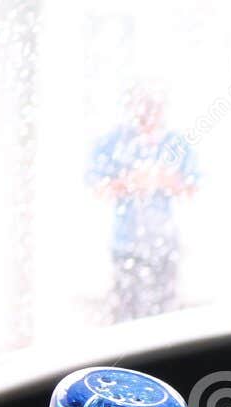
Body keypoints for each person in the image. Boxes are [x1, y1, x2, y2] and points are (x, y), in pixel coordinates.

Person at [88, 89, 198, 322]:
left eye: (154, 107)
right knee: (126, 312)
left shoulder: (175, 144)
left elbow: (192, 188)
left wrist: (164, 180)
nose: (148, 115)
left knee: (165, 313)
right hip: (125, 246)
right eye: (143, 107)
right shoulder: (113, 143)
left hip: (165, 245)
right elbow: (97, 188)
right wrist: (130, 182)